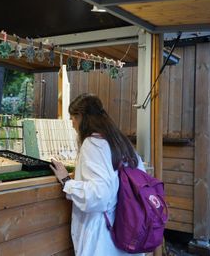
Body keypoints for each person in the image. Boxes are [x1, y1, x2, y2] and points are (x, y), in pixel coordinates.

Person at [50, 93, 145, 256]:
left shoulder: (93, 143)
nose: (72, 124)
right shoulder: (120, 142)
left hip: (104, 237)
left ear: (81, 117)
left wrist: (67, 182)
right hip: (129, 230)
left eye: (73, 118)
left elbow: (99, 196)